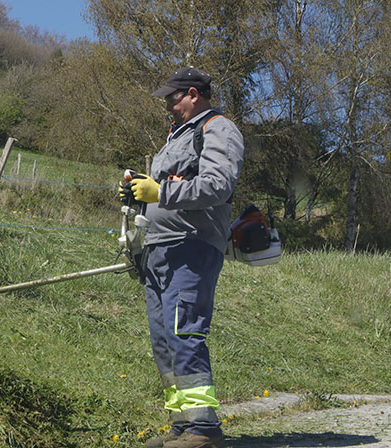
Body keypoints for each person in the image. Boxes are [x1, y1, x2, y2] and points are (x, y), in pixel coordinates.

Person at [120, 67, 244, 448]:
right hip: (161, 248)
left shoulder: (218, 128)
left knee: (183, 333)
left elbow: (218, 185)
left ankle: (204, 430)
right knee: (164, 341)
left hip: (191, 246)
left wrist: (161, 194)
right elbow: (166, 187)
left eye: (173, 99)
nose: (169, 107)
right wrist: (139, 192)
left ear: (193, 94)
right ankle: (183, 425)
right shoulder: (177, 135)